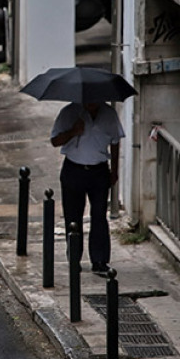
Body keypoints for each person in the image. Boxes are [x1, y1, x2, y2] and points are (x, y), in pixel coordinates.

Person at [50, 100, 124, 274]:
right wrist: (73, 132)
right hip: (73, 169)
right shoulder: (69, 112)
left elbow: (115, 141)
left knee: (99, 215)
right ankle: (74, 258)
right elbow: (55, 141)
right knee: (73, 217)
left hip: (98, 171)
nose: (92, 102)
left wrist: (114, 170)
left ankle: (99, 260)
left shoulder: (109, 114)